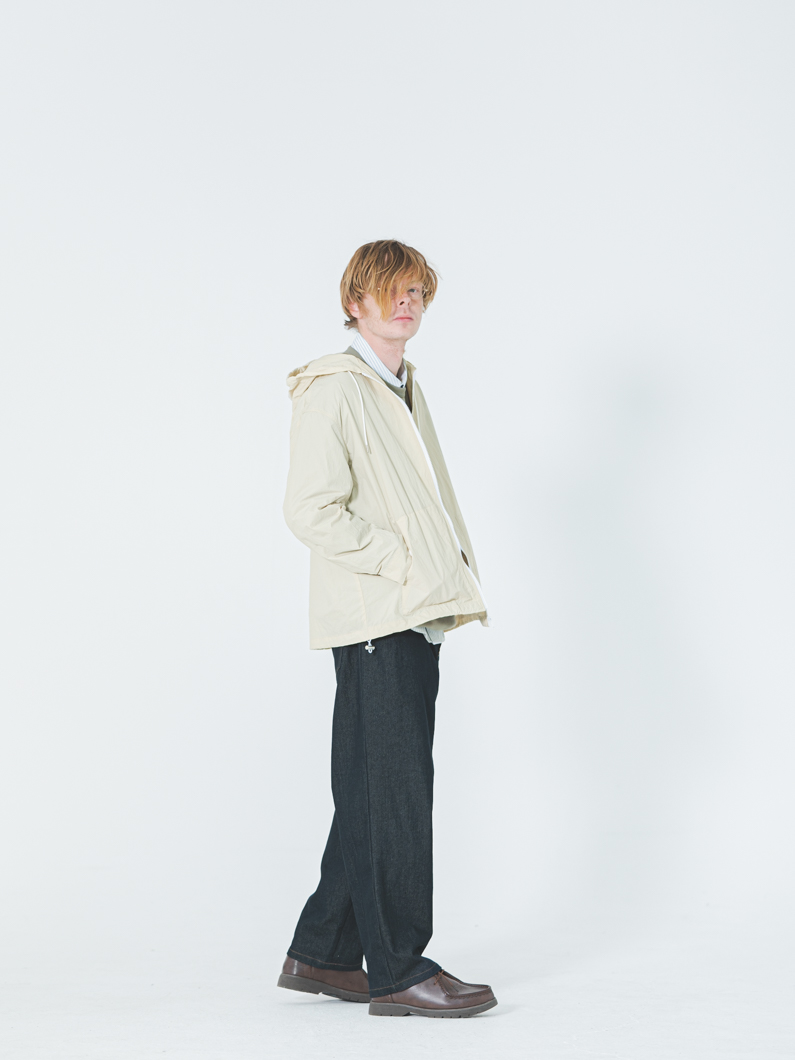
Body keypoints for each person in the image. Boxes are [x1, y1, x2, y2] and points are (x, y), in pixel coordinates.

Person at [277, 239, 496, 1018]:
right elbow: (310, 509)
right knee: (394, 794)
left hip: (412, 612)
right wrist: (400, 562)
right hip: (378, 614)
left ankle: (323, 952)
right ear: (355, 302)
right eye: (390, 291)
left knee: (375, 790)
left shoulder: (399, 385)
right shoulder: (335, 388)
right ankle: (398, 970)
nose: (406, 303)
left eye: (416, 292)